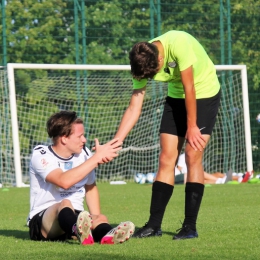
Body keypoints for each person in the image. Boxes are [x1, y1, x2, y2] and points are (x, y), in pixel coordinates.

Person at [113, 30, 221, 240]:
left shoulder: (178, 43)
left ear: (161, 58)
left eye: (154, 74)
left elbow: (189, 87)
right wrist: (117, 141)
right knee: (166, 158)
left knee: (192, 155)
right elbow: (134, 107)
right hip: (176, 97)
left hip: (204, 92)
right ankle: (154, 226)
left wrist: (191, 126)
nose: (152, 79)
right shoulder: (141, 60)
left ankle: (190, 226)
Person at [27, 111, 135, 245]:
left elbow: (90, 188)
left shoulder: (84, 154)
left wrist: (96, 218)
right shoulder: (41, 154)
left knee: (101, 218)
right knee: (65, 203)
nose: (84, 140)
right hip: (45, 222)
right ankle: (77, 230)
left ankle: (107, 236)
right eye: (80, 136)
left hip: (76, 217)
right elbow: (63, 181)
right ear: (64, 138)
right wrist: (96, 158)